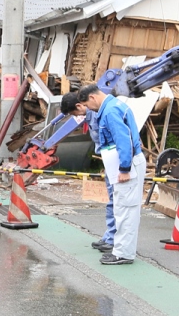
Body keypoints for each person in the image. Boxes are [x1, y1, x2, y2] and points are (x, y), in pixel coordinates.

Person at [78, 84, 146, 265]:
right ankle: (121, 251)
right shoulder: (113, 105)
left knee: (125, 209)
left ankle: (123, 253)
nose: (89, 110)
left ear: (92, 98)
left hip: (126, 165)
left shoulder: (109, 112)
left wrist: (124, 169)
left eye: (87, 105)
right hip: (125, 163)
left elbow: (124, 140)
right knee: (123, 208)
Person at [61, 92, 115, 254]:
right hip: (109, 160)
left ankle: (113, 240)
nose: (76, 117)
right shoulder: (92, 115)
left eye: (74, 114)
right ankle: (110, 236)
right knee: (112, 200)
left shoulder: (100, 113)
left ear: (79, 106)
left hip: (115, 161)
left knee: (115, 201)